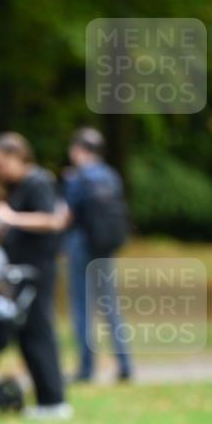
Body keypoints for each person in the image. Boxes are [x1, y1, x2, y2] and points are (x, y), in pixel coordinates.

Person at [0, 132, 72, 420]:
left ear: (18, 156)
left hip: (38, 269)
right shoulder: (17, 186)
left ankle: (54, 400)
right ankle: (46, 400)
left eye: (2, 163)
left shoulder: (39, 181)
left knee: (39, 331)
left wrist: (10, 218)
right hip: (20, 269)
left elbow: (51, 220)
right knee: (26, 334)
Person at [62, 128, 132, 382]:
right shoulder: (111, 176)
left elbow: (67, 215)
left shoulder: (78, 178)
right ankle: (125, 363)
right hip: (105, 247)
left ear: (79, 150)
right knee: (110, 306)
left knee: (82, 308)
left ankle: (86, 368)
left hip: (81, 244)